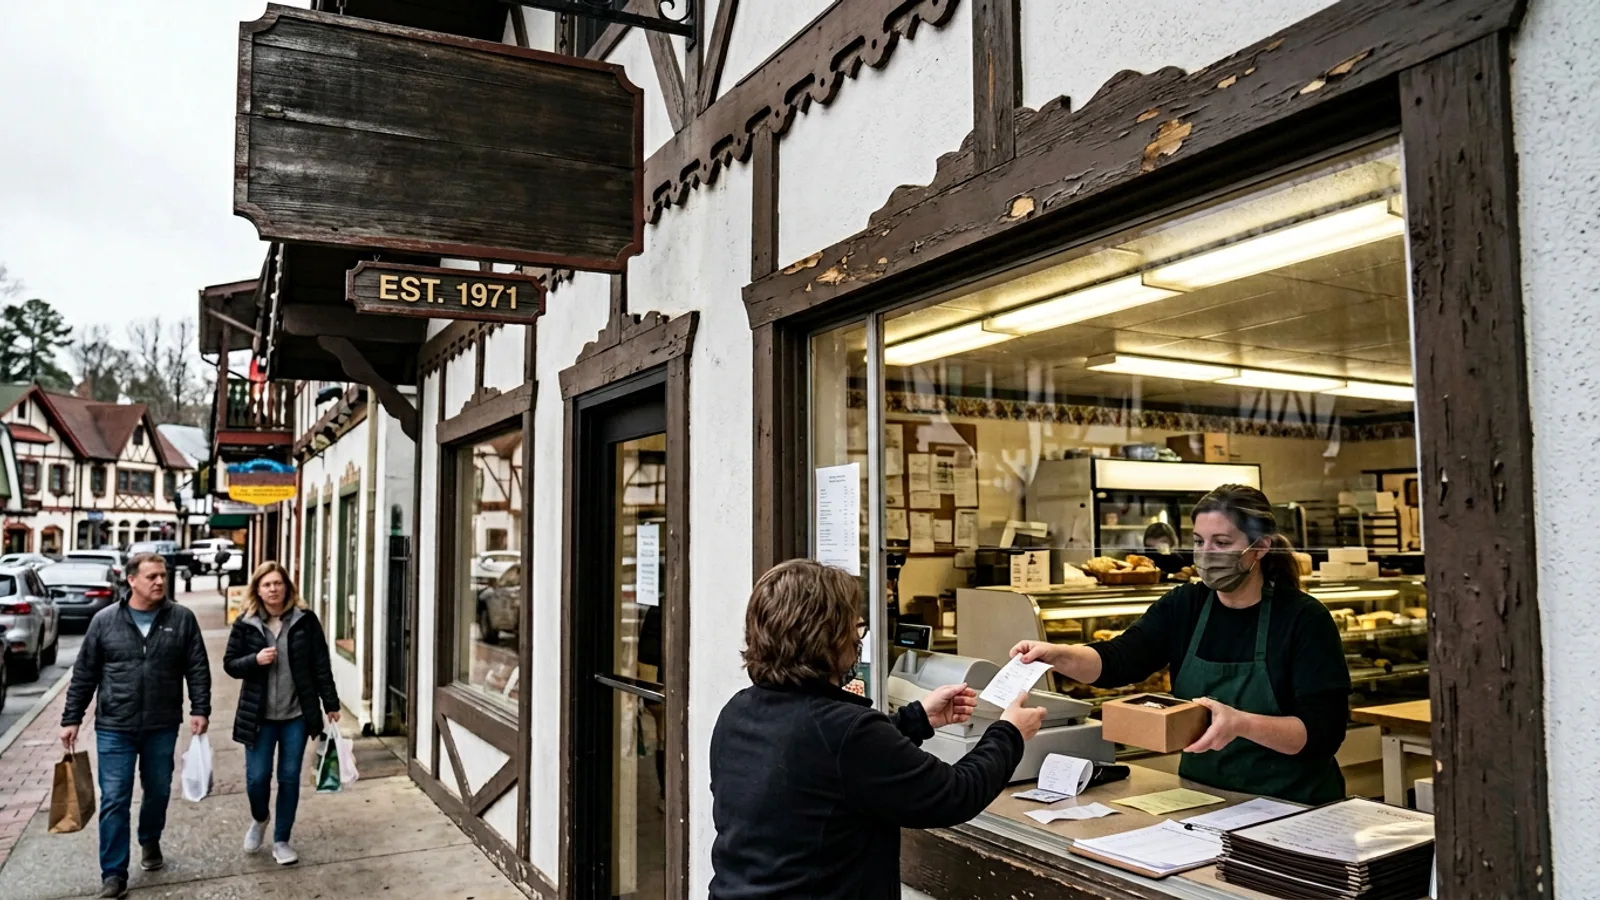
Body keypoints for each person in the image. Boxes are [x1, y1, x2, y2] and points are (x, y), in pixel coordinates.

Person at [710, 559, 1044, 899]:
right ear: (826, 637)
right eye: (855, 629)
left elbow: (829, 765)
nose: (858, 640)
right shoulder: (846, 732)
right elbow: (954, 794)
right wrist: (1009, 732)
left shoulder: (739, 710)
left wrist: (916, 720)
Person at [1014, 484, 1350, 805]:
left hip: (1293, 804)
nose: (1206, 554)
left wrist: (1241, 724)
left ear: (1259, 548)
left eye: (1221, 542)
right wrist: (1056, 655)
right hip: (1203, 799)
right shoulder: (1185, 606)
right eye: (1199, 541)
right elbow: (1118, 661)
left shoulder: (1303, 620)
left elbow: (1323, 733)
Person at [60, 553, 211, 900]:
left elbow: (197, 668)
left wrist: (200, 708)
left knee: (157, 791)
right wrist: (72, 718)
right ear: (131, 580)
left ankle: (150, 838)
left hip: (162, 723)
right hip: (115, 725)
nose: (159, 582)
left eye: (162, 576)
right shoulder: (105, 621)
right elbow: (85, 673)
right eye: (151, 577)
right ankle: (113, 874)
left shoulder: (182, 619)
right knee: (115, 798)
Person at [222, 561, 341, 866]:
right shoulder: (246, 622)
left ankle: (282, 840)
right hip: (258, 717)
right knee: (257, 778)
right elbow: (230, 664)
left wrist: (331, 703)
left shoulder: (305, 620)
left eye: (278, 583)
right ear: (257, 590)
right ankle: (260, 818)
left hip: (296, 715)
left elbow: (320, 664)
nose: (273, 589)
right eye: (266, 584)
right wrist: (254, 660)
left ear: (287, 586)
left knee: (289, 778)